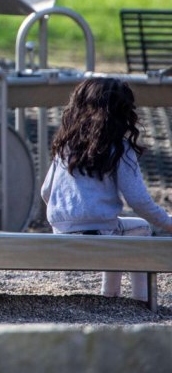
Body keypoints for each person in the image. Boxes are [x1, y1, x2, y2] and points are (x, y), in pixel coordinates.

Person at [41, 77, 172, 301]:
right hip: (100, 234)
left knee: (120, 228)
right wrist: (168, 223)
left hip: (60, 233)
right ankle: (140, 300)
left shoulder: (66, 147)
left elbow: (45, 192)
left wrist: (70, 215)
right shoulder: (119, 148)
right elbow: (139, 202)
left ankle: (111, 296)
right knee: (140, 229)